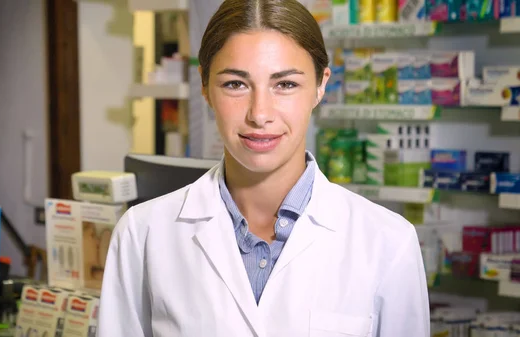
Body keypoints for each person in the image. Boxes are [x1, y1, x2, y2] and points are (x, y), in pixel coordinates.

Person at [98, 0, 430, 336]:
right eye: (235, 84)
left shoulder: (389, 242)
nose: (259, 114)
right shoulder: (143, 234)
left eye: (285, 84)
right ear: (205, 86)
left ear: (320, 85)